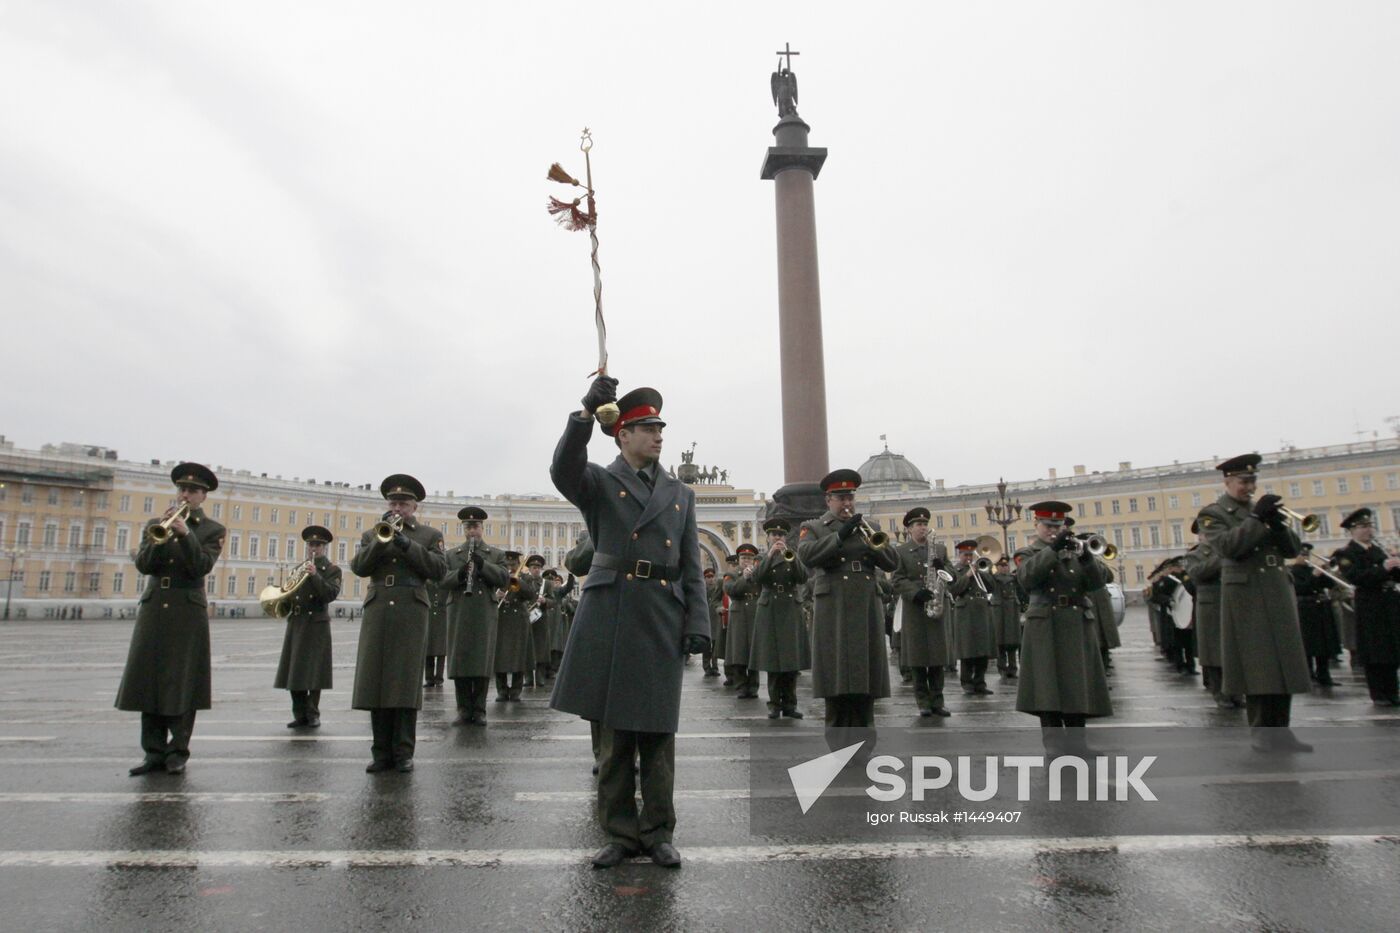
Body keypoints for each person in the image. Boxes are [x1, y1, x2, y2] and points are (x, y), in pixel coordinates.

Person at [549, 380, 709, 869]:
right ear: (622, 434)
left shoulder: (679, 492)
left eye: (660, 427)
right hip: (613, 610)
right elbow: (563, 471)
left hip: (661, 611)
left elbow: (691, 565)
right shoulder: (598, 481)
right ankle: (619, 832)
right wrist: (584, 412)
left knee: (658, 734)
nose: (658, 435)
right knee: (615, 735)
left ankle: (659, 831)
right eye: (647, 427)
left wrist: (697, 622)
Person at [1196, 454, 1311, 752]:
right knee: (1258, 664)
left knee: (1283, 663)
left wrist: (1278, 524)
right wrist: (1257, 519)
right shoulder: (1214, 513)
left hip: (1275, 590)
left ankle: (1282, 730)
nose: (1249, 487)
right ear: (1228, 482)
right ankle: (1262, 731)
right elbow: (1228, 547)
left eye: (1252, 481)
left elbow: (1292, 550)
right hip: (1246, 595)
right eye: (1243, 482)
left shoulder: (1259, 511)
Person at [116, 463, 225, 776]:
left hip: (186, 610)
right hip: (154, 608)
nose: (185, 494)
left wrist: (186, 534)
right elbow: (144, 565)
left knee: (182, 681)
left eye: (192, 490)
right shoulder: (156, 523)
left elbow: (200, 566)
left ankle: (178, 751)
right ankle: (153, 752)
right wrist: (160, 538)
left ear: (204, 496)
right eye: (182, 489)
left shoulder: (212, 530)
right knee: (148, 681)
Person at [349, 474, 447, 773]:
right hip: (379, 607)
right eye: (393, 502)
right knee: (376, 681)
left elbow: (438, 569)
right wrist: (382, 540)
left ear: (414, 507)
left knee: (403, 682)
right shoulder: (372, 534)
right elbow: (359, 567)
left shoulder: (429, 536)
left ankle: (404, 751)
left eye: (403, 503)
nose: (398, 508)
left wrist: (406, 545)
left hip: (411, 608)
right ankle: (380, 752)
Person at [796, 469, 899, 737]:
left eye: (850, 497)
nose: (847, 504)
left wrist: (874, 544)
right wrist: (839, 538)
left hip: (865, 604)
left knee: (866, 675)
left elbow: (891, 562)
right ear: (828, 500)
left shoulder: (871, 528)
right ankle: (838, 738)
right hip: (834, 606)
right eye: (841, 498)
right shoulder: (815, 527)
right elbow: (806, 555)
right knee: (836, 674)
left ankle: (865, 738)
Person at [1013, 501, 1112, 752]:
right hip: (1045, 623)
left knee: (1077, 685)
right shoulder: (1029, 552)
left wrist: (1087, 557)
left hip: (1076, 622)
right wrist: (1053, 550)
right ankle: (1054, 745)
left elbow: (1099, 583)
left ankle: (1079, 744)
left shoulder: (1076, 552)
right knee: (1048, 686)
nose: (1052, 530)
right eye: (1047, 525)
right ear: (1036, 525)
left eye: (1057, 526)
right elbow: (1026, 579)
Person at [439, 506, 509, 725]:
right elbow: (441, 580)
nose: (472, 531)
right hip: (459, 610)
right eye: (468, 527)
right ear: (463, 529)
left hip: (483, 611)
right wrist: (460, 574)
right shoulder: (451, 555)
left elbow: (503, 578)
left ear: (482, 528)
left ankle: (479, 710)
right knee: (460, 660)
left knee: (481, 660)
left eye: (476, 526)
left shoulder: (495, 554)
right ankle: (463, 709)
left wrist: (482, 564)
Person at [274, 525, 342, 728]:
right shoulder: (297, 569)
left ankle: (313, 714)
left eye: (318, 545)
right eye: (311, 545)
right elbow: (290, 595)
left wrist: (315, 575)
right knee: (294, 672)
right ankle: (299, 713)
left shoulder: (332, 570)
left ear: (325, 547)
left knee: (313, 673)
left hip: (316, 625)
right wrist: (280, 601)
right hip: (297, 623)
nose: (314, 548)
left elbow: (329, 594)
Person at [1332, 508, 1400, 705]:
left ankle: (1393, 691)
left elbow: (1392, 576)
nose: (1368, 530)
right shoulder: (1347, 553)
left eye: (1369, 526)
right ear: (1352, 530)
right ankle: (1379, 694)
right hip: (1370, 605)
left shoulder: (1378, 549)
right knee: (1375, 650)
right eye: (1362, 527)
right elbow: (1357, 577)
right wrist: (1383, 568)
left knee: (1392, 649)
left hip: (1389, 603)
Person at [889, 507, 951, 717]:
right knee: (917, 659)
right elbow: (897, 579)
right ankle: (922, 702)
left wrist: (943, 568)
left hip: (935, 607)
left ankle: (938, 701)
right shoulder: (902, 551)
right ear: (909, 529)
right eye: (918, 525)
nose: (923, 528)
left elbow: (952, 577)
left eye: (925, 524)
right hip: (915, 610)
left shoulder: (940, 549)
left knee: (936, 658)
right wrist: (916, 593)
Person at [748, 518, 810, 719]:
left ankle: (790, 705)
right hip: (770, 609)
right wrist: (770, 555)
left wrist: (791, 558)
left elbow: (803, 577)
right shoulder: (761, 558)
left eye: (781, 535)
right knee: (773, 660)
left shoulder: (792, 555)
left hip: (790, 608)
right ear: (767, 537)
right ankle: (774, 704)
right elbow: (757, 578)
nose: (778, 538)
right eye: (774, 534)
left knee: (790, 660)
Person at [1184, 519, 1241, 708]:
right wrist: (1219, 558)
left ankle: (1236, 693)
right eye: (1206, 533)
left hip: (1230, 603)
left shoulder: (1226, 551)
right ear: (1200, 536)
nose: (1209, 536)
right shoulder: (1194, 555)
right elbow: (1197, 573)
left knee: (1232, 650)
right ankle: (1220, 694)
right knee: (1214, 653)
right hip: (1210, 608)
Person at [949, 540, 996, 696]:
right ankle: (967, 682)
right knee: (967, 649)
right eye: (965, 555)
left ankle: (980, 682)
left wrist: (983, 572)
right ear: (959, 555)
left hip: (981, 608)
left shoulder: (980, 569)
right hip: (965, 611)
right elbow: (953, 590)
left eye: (971, 554)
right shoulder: (955, 570)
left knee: (983, 649)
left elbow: (991, 587)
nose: (968, 558)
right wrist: (968, 575)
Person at [1291, 545, 1339, 687]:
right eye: (1302, 554)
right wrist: (1314, 576)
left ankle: (1324, 675)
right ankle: (1309, 674)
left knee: (1324, 643)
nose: (1305, 557)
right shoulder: (1293, 571)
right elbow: (1300, 588)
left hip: (1320, 608)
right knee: (1309, 644)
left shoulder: (1312, 569)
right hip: (1305, 608)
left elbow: (1331, 585)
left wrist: (1325, 572)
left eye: (1307, 555)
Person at [493, 551, 536, 701]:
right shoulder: (498, 577)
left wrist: (515, 582)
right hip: (501, 618)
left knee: (519, 654)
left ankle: (516, 689)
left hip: (518, 619)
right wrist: (496, 595)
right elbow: (490, 592)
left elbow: (531, 594)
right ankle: (502, 689)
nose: (510, 567)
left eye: (513, 564)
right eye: (508, 565)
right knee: (499, 656)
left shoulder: (526, 578)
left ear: (518, 564)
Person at [724, 544, 762, 699]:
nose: (747, 561)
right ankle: (740, 686)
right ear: (739, 559)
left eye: (750, 558)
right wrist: (744, 578)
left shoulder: (758, 574)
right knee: (739, 652)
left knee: (754, 652)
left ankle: (753, 686)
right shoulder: (732, 574)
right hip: (739, 614)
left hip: (754, 613)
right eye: (744, 558)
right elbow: (731, 590)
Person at [991, 555, 1024, 679]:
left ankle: (1012, 668)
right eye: (1001, 566)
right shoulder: (993, 578)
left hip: (1012, 609)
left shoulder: (1014, 578)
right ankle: (1002, 668)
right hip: (999, 610)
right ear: (997, 567)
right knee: (1000, 640)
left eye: (1006, 565)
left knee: (1013, 640)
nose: (1004, 568)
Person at [423, 574, 447, 687]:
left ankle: (439, 678)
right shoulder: (427, 583)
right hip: (429, 616)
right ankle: (429, 678)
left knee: (441, 651)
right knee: (429, 650)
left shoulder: (445, 583)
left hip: (442, 617)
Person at [702, 567, 723, 676]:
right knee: (706, 645)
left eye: (712, 577)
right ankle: (706, 667)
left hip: (715, 619)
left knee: (715, 644)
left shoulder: (717, 588)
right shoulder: (702, 589)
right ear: (704, 578)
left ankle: (715, 667)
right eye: (708, 577)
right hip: (706, 619)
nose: (710, 579)